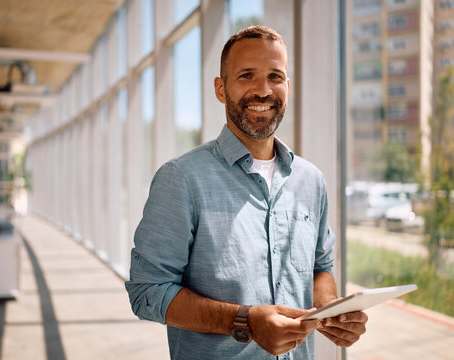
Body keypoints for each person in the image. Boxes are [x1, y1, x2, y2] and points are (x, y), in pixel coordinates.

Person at [125, 25, 367, 360]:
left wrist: (329, 310)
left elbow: (320, 266)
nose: (263, 90)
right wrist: (246, 321)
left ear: (287, 86)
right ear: (221, 89)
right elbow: (147, 292)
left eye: (275, 76)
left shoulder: (311, 180)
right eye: (246, 76)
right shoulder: (180, 179)